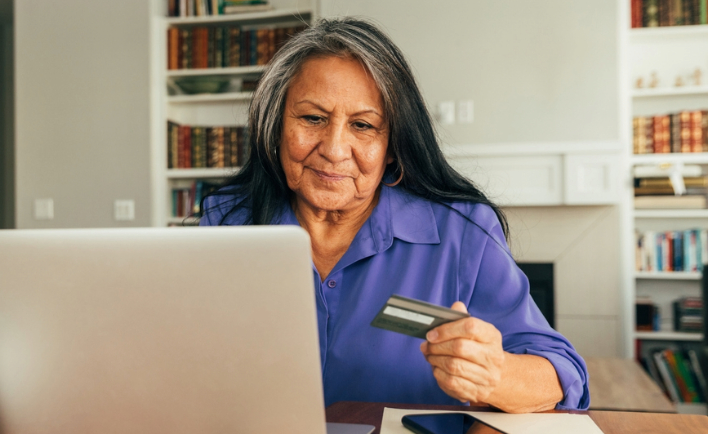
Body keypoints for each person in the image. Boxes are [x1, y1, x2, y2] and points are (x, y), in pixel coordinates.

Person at [199, 18, 588, 413]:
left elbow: (560, 376)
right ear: (275, 126)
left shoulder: (462, 230)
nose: (334, 149)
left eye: (363, 126)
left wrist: (496, 374)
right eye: (312, 118)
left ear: (392, 146)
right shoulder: (227, 220)